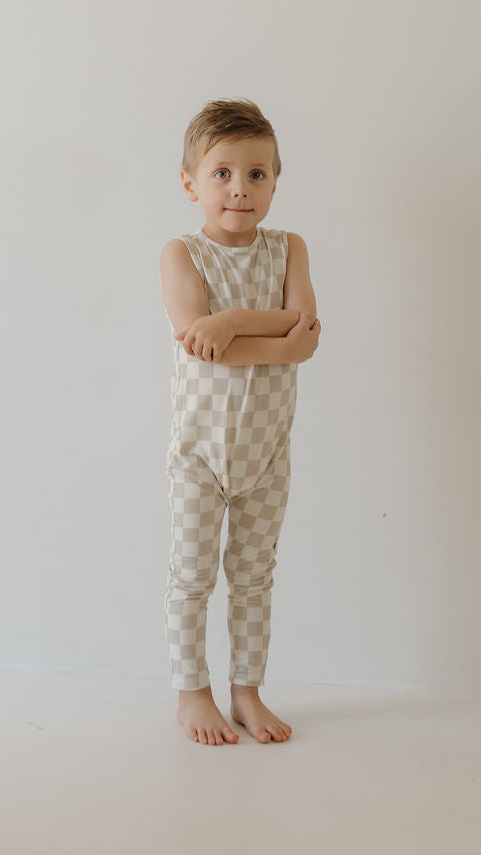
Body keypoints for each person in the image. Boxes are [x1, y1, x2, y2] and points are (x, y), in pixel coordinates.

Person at [160, 99, 320, 745]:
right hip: (200, 453)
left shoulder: (289, 249)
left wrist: (232, 327)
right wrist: (252, 328)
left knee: (255, 575)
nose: (240, 189)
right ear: (191, 183)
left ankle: (247, 691)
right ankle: (191, 691)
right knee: (192, 573)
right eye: (223, 173)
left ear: (275, 182)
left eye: (257, 174)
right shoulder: (181, 255)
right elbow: (200, 338)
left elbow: (305, 338)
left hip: (266, 454)